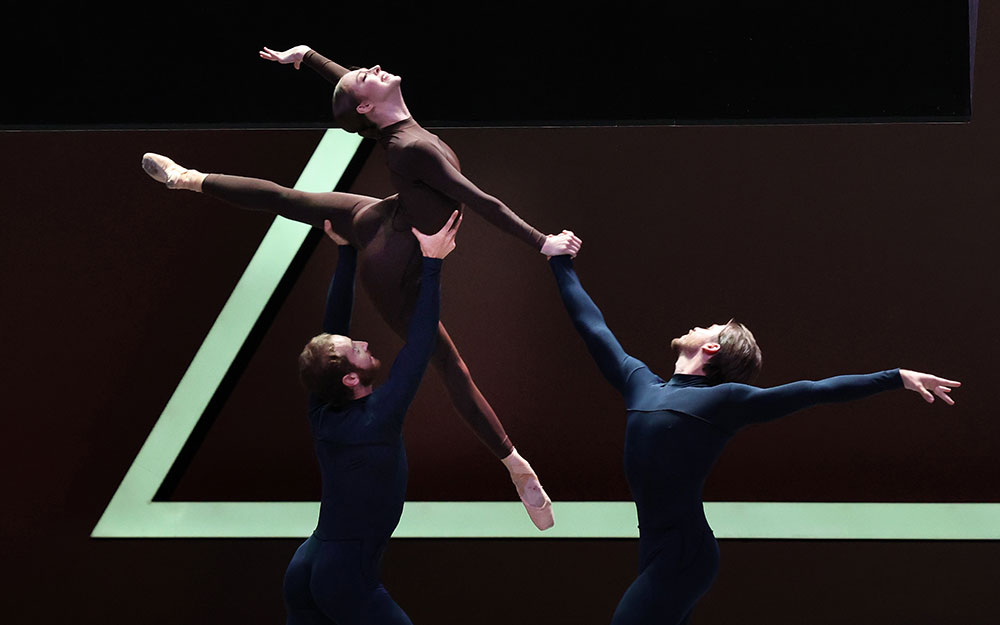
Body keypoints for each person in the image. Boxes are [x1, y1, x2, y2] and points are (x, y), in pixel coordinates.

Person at [141, 44, 583, 530]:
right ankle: (516, 467)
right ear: (367, 106)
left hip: (384, 217)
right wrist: (543, 242)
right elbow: (482, 201)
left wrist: (307, 57)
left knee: (296, 200)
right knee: (448, 362)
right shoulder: (411, 147)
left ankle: (189, 179)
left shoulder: (395, 131)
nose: (370, 68)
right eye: (362, 78)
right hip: (392, 262)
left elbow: (350, 88)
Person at [545, 239, 961, 625]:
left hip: (685, 555)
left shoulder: (725, 401)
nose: (698, 325)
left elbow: (814, 391)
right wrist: (559, 260)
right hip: (655, 548)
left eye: (710, 327)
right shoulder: (641, 384)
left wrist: (896, 377)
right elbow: (593, 328)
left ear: (713, 349)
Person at [283, 211, 457, 625]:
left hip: (307, 565)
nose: (362, 342)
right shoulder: (379, 418)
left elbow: (333, 326)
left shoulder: (322, 409)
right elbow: (419, 345)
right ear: (351, 377)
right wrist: (432, 264)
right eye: (355, 350)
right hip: (343, 576)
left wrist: (345, 253)